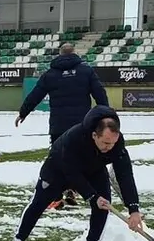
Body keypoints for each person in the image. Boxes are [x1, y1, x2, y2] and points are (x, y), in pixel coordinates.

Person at [8, 105, 143, 241]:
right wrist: (92, 196)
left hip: (94, 169)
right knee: (39, 202)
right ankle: (18, 240)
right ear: (94, 135)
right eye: (106, 143)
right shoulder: (75, 138)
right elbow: (71, 173)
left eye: (113, 143)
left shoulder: (116, 145)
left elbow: (125, 175)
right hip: (58, 169)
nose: (110, 147)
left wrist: (133, 208)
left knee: (104, 203)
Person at [15, 43, 109, 207]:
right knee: (82, 159)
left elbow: (35, 95)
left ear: (59, 54)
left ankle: (59, 193)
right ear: (74, 53)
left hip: (58, 126)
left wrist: (23, 112)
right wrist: (106, 114)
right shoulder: (86, 71)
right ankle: (76, 188)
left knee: (60, 160)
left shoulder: (50, 74)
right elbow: (99, 93)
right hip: (81, 126)